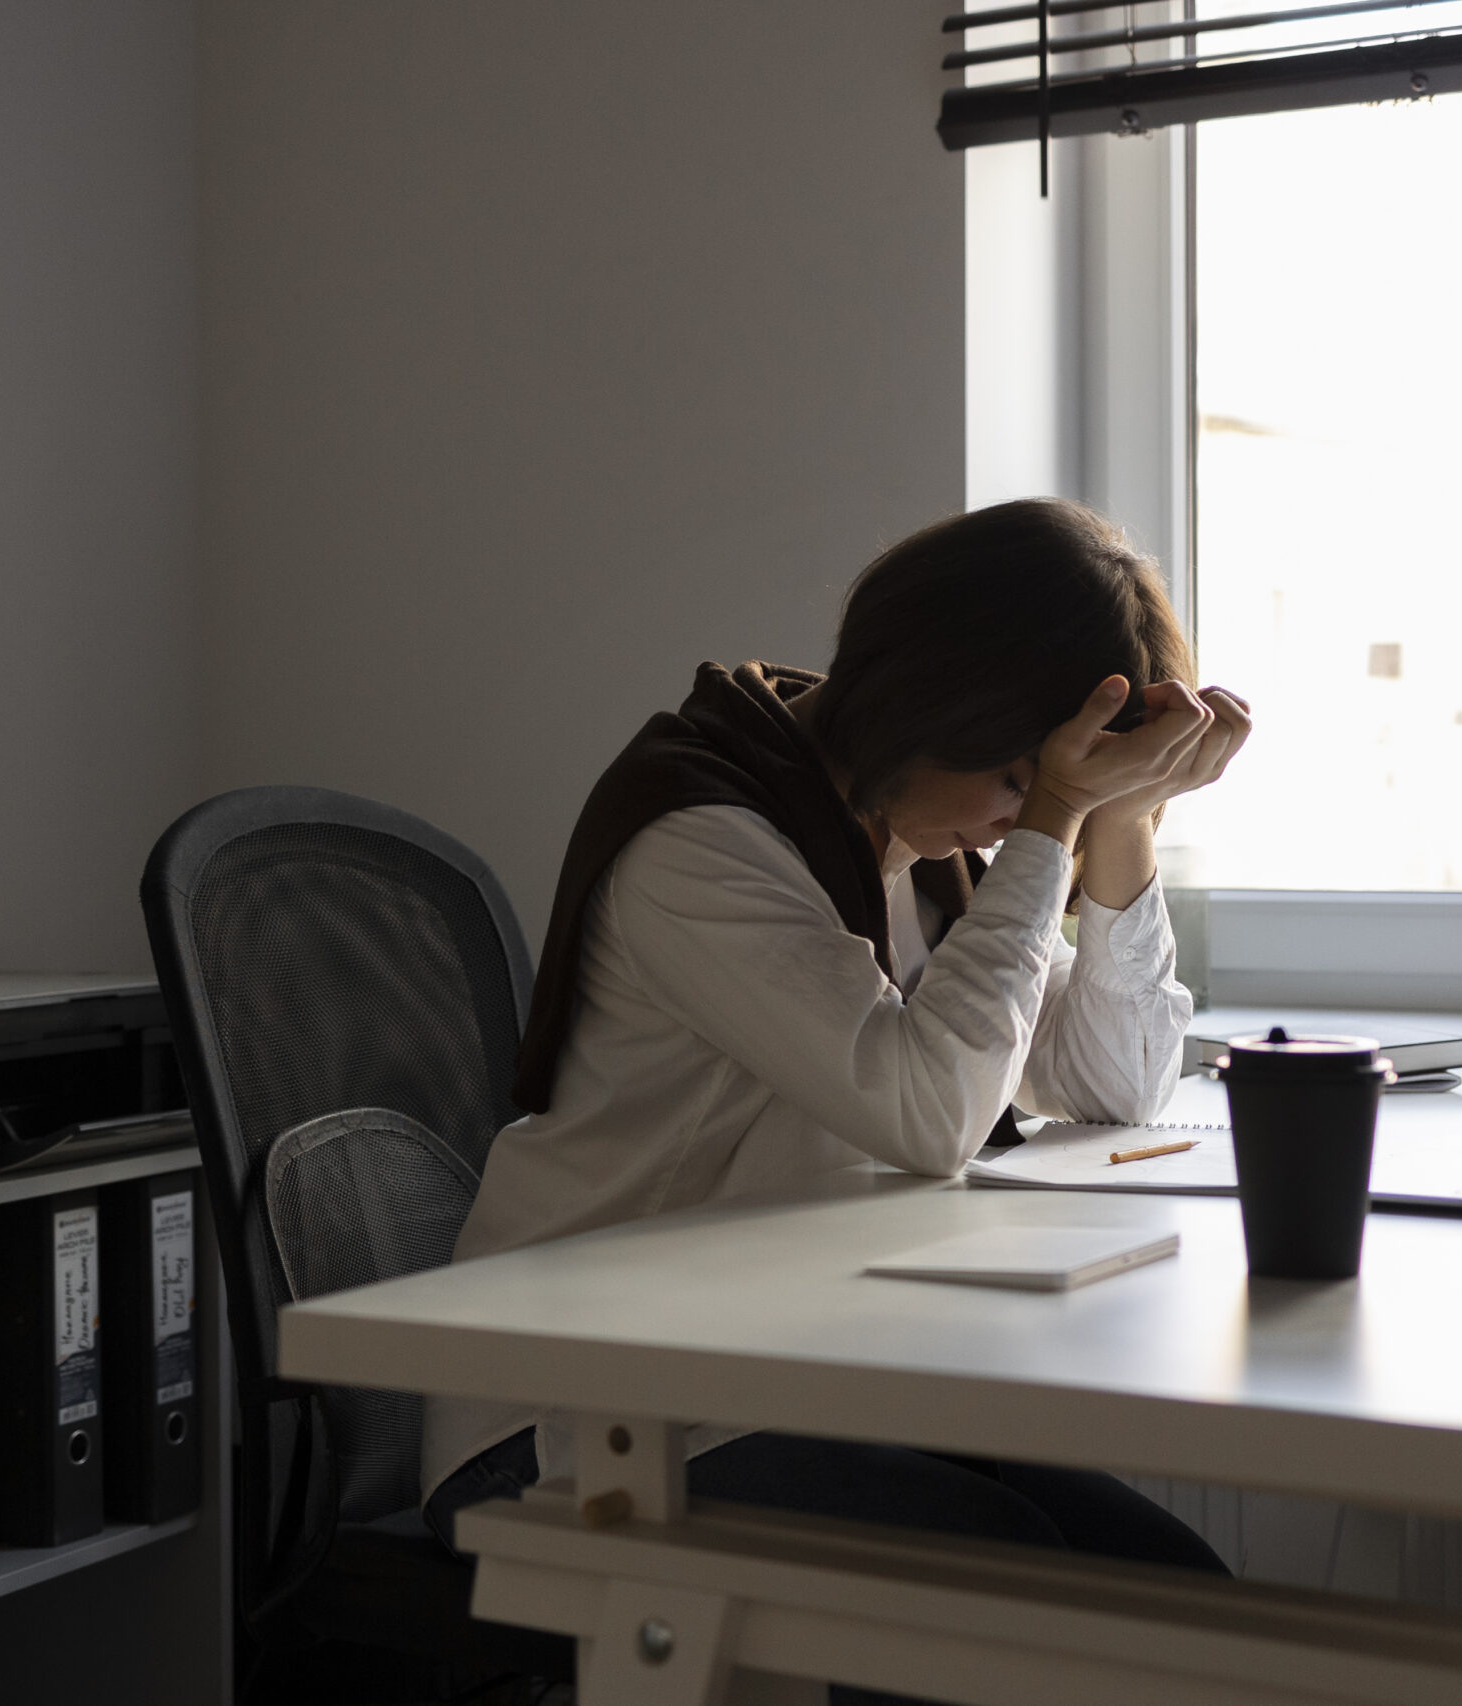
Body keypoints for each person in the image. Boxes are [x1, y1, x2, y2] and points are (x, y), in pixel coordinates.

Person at [421, 500, 1252, 1691]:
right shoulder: (703, 837)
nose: (1018, 820)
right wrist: (1053, 822)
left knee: (1179, 1599)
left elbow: (1114, 1085)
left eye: (1043, 787)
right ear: (931, 706)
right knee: (1027, 1617)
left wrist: (1119, 817)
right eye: (1014, 778)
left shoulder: (926, 848)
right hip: (580, 1418)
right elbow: (926, 1113)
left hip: (782, 1377)